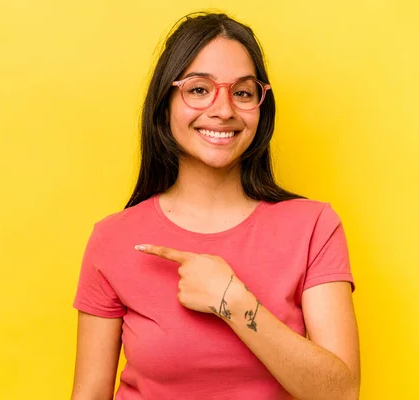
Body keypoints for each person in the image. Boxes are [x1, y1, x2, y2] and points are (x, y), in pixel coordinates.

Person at [70, 12, 360, 400]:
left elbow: (340, 394)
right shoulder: (113, 238)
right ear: (165, 102)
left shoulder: (314, 226)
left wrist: (233, 302)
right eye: (199, 89)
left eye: (242, 92)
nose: (224, 110)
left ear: (261, 106)